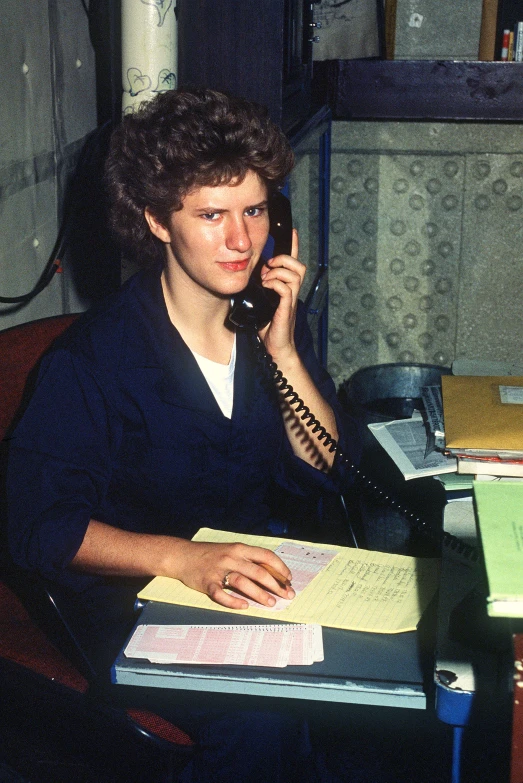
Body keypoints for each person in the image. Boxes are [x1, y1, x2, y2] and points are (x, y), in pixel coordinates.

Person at [6, 87, 362, 782]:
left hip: (255, 581)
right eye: (211, 215)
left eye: (255, 210)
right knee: (259, 719)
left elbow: (330, 469)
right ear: (156, 221)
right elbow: (36, 527)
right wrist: (182, 560)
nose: (241, 241)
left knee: (359, 693)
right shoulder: (92, 361)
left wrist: (285, 350)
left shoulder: (269, 326)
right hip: (130, 596)